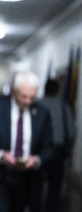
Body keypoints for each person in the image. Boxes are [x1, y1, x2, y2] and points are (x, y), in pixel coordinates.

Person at [0, 71, 53, 212]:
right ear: (14, 91)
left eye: (32, 97)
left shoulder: (42, 113)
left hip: (28, 180)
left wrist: (36, 160)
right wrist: (0, 155)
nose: (27, 101)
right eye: (23, 96)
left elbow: (49, 146)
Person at [39, 79, 76, 212]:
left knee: (36, 184)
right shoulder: (63, 106)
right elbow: (71, 131)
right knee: (55, 185)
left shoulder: (38, 104)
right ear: (57, 91)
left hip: (39, 150)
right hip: (57, 150)